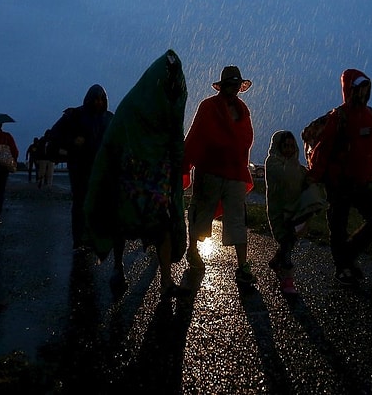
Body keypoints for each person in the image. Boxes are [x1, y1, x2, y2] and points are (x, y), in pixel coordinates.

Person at [84, 49, 189, 298]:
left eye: (175, 78)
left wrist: (176, 164)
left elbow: (176, 137)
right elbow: (115, 140)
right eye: (168, 77)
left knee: (163, 221)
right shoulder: (134, 105)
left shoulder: (173, 103)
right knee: (123, 221)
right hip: (132, 172)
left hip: (159, 175)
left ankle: (166, 280)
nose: (172, 83)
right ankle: (118, 267)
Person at [306, 69, 372, 286]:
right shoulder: (339, 116)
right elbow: (324, 149)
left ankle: (346, 257)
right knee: (338, 226)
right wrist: (314, 176)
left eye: (367, 88)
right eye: (360, 88)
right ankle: (343, 268)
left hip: (361, 183)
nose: (364, 92)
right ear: (350, 89)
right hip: (338, 183)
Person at [183, 65, 257, 287]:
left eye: (236, 84)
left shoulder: (243, 109)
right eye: (230, 84)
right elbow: (196, 135)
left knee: (237, 218)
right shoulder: (208, 106)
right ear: (223, 85)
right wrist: (186, 161)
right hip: (210, 172)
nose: (234, 88)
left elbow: (246, 138)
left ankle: (242, 266)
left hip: (235, 172)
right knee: (202, 213)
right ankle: (193, 249)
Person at [50, 84, 114, 250]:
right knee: (80, 202)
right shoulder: (75, 115)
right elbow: (54, 134)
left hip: (100, 167)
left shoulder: (109, 118)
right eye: (95, 99)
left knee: (96, 203)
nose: (98, 102)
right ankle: (78, 240)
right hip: (78, 165)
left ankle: (90, 237)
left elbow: (118, 140)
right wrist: (72, 141)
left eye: (101, 99)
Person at [265, 130, 325, 295]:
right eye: (285, 146)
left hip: (294, 212)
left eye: (292, 146)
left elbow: (309, 180)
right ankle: (286, 276)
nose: (289, 150)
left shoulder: (298, 168)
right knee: (286, 240)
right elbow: (285, 176)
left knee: (288, 242)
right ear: (278, 146)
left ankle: (278, 262)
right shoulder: (273, 162)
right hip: (279, 212)